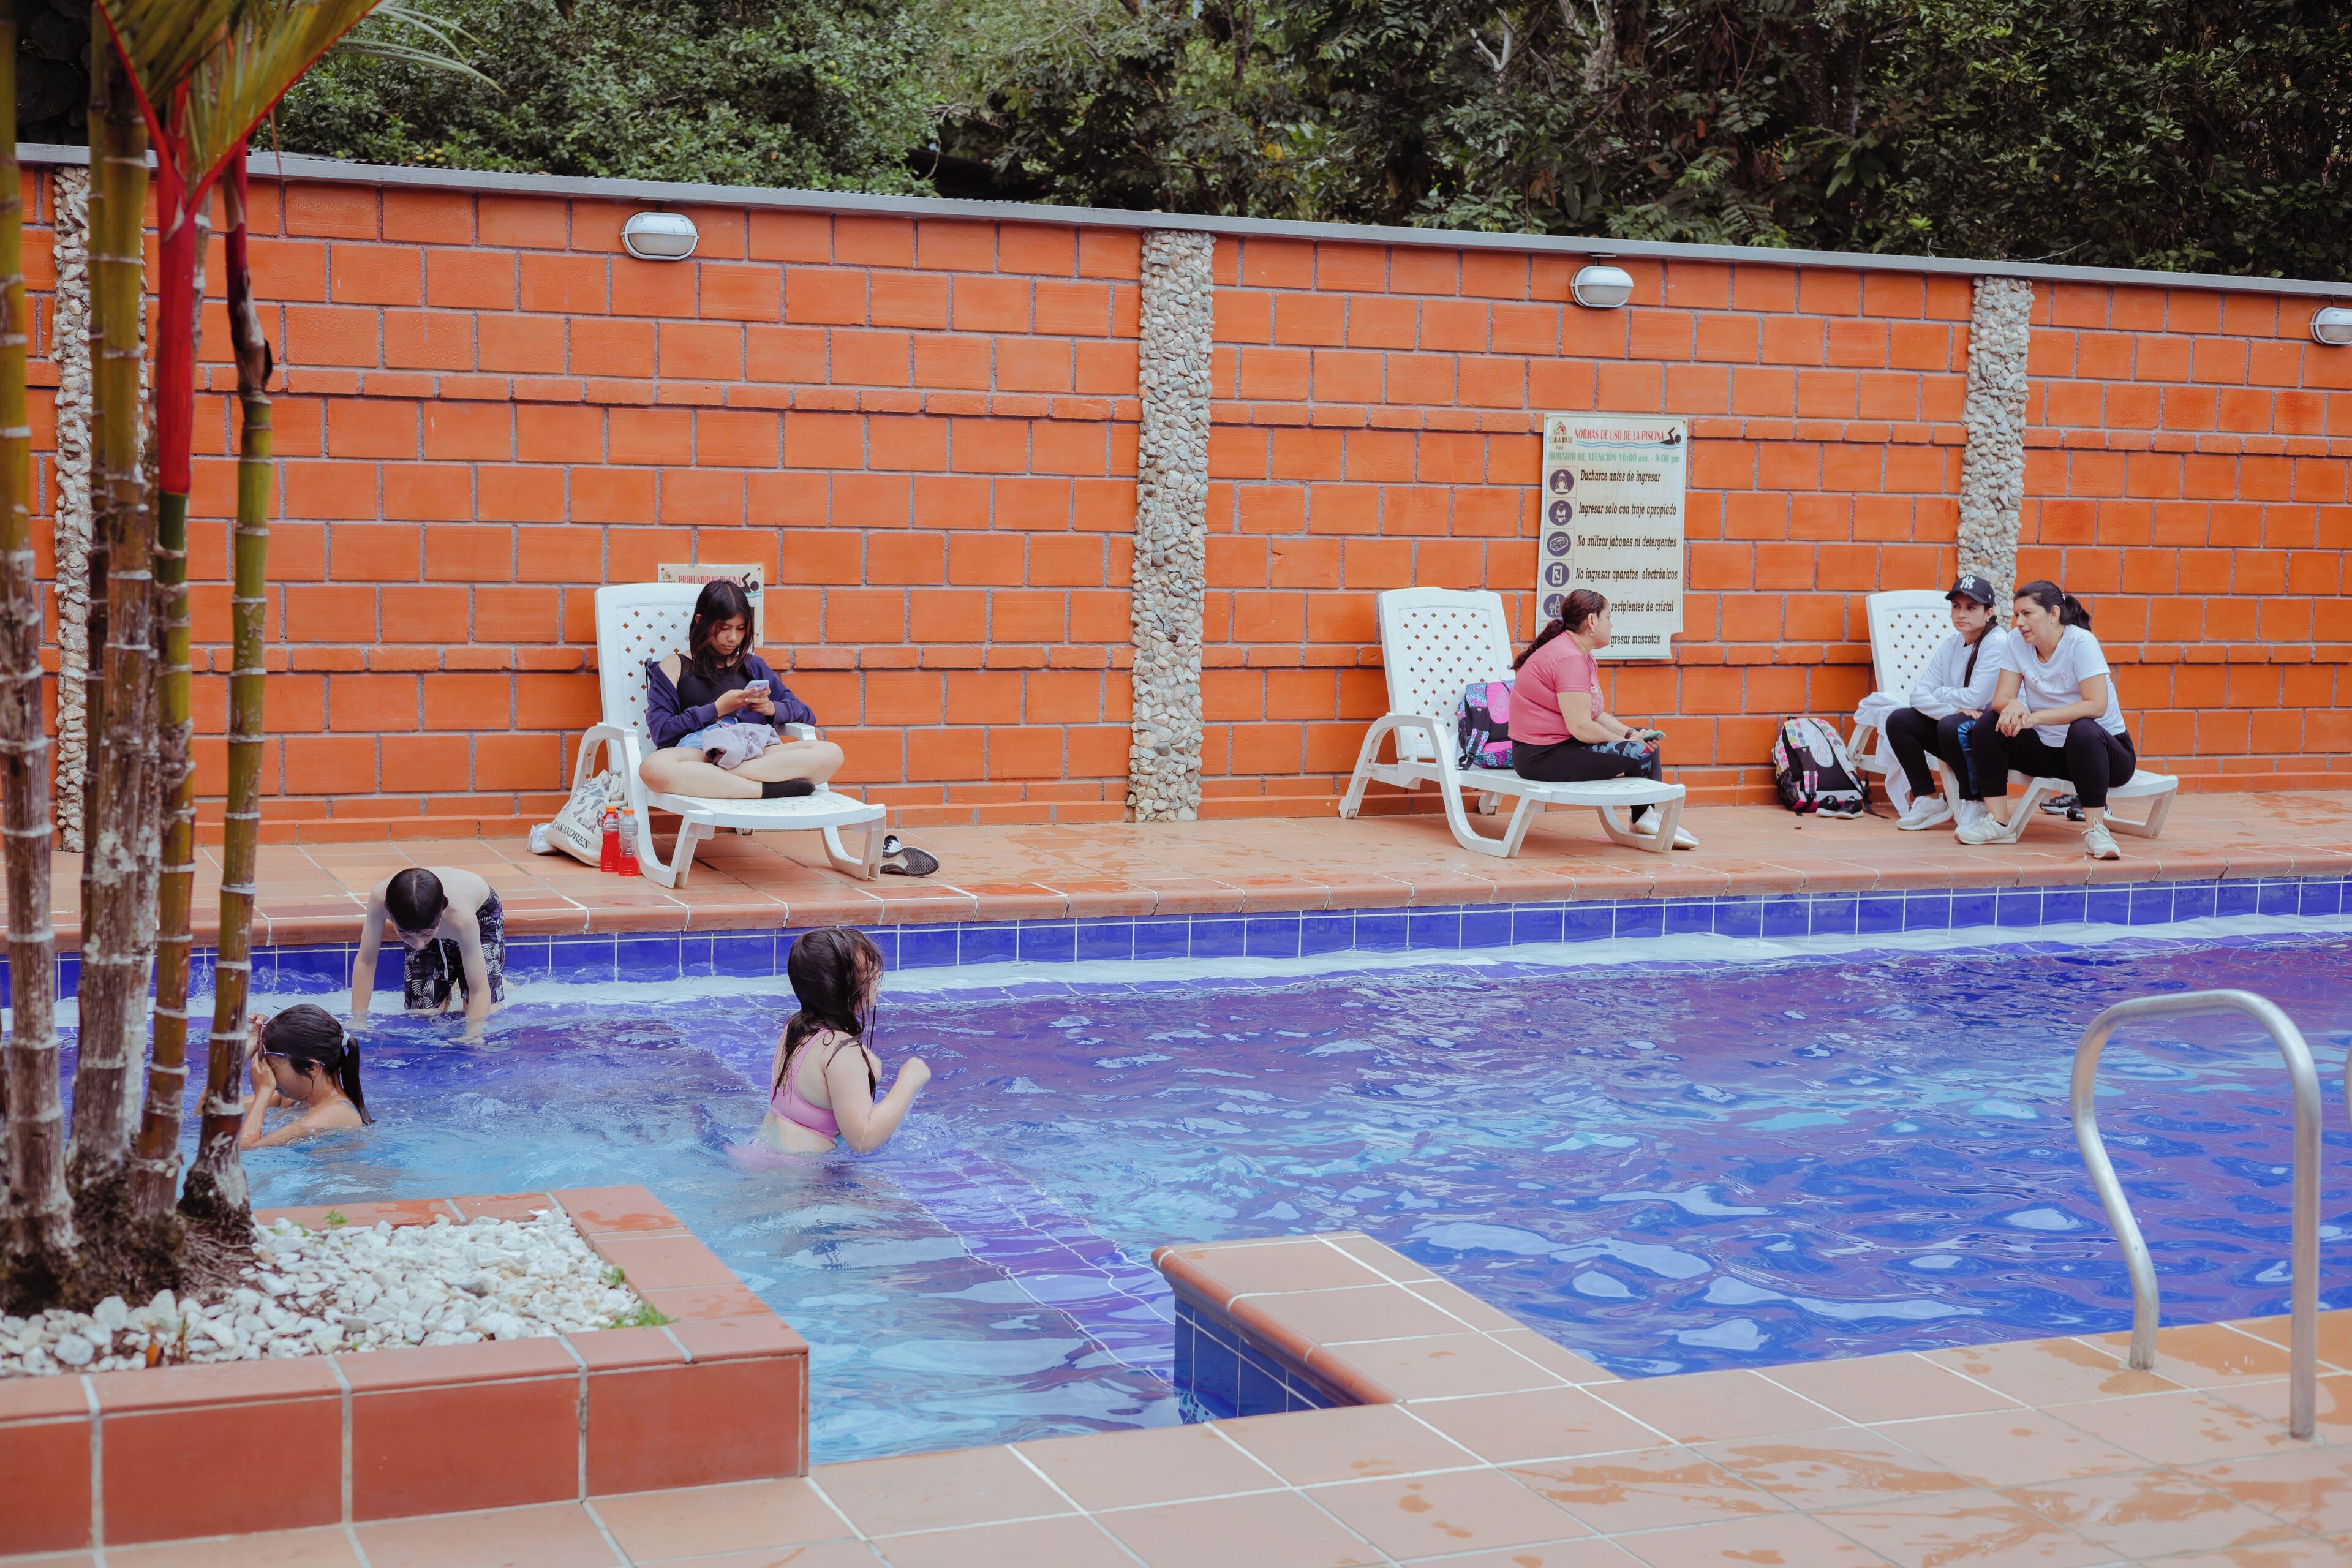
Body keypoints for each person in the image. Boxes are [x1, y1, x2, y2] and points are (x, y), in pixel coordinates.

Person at [1958, 581, 2138, 860]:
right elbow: (2001, 698)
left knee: (2083, 729)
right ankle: (1999, 823)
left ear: (2054, 614)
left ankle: (2096, 830)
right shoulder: (2016, 642)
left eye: (2028, 614)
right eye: (2017, 615)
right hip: (2050, 752)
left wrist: (2035, 717)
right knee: (1990, 723)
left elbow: (2096, 705)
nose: (2019, 622)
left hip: (2105, 755)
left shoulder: (2080, 643)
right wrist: (2014, 704)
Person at [1507, 588, 1699, 850]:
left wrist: (1632, 734)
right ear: (1592, 621)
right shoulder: (1569, 658)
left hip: (1558, 747)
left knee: (1643, 739)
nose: (1611, 624)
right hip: (1540, 757)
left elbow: (1595, 715)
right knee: (1639, 750)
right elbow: (1582, 727)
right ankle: (1646, 818)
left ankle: (1647, 816)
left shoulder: (1581, 654)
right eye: (1608, 617)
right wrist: (1628, 743)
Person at [641, 579, 843, 802]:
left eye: (741, 628)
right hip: (701, 752)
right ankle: (764, 789)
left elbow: (806, 714)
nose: (734, 638)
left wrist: (771, 708)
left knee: (831, 753)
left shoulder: (753, 666)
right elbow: (661, 731)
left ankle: (720, 777)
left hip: (753, 749)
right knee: (653, 768)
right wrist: (717, 709)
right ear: (700, 622)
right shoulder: (674, 665)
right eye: (724, 628)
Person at [753, 927, 931, 1156]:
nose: (877, 975)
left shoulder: (796, 1028)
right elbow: (863, 1139)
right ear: (837, 986)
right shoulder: (842, 1052)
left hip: (763, 1152)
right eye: (867, 971)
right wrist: (910, 1080)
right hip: (802, 1173)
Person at [1887, 575, 2013, 832]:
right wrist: (1950, 709)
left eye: (1971, 607)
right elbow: (1918, 695)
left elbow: (1976, 699)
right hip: (1958, 727)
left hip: (1993, 734)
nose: (1961, 614)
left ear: (1989, 613)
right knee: (1899, 720)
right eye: (1957, 606)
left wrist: (1941, 694)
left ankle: (1975, 801)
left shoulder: (1997, 642)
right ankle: (1929, 799)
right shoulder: (1951, 645)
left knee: (1951, 725)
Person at [352, 865, 503, 1044]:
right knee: (423, 1018)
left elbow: (479, 990)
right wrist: (358, 1022)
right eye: (405, 935)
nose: (418, 945)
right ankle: (450, 978)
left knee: (483, 1015)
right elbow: (366, 961)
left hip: (481, 914)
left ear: (442, 914)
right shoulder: (380, 900)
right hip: (423, 920)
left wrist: (473, 1036)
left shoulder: (462, 918)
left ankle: (459, 977)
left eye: (427, 934)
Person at [241, 1003, 372, 1148]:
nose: (268, 1077)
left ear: (311, 1068)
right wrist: (240, 1058)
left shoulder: (337, 1113)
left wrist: (264, 1092)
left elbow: (244, 1147)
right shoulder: (297, 1100)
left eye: (271, 1068)